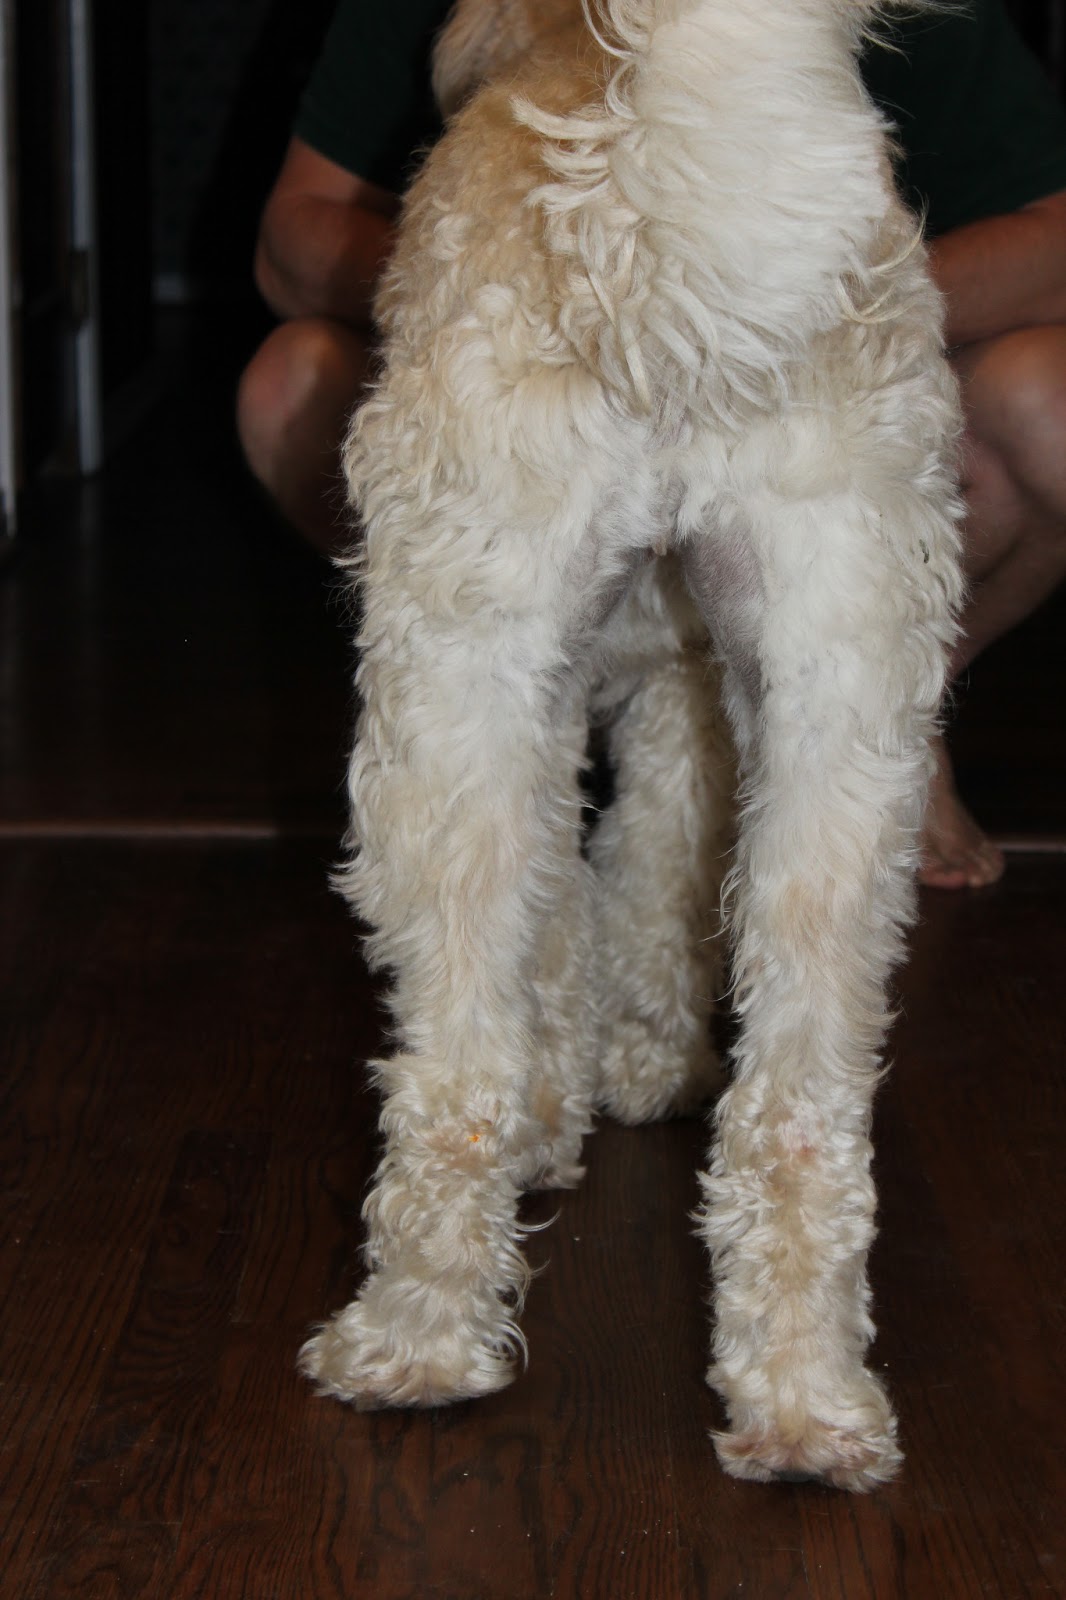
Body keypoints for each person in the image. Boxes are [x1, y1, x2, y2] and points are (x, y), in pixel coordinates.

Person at [237, 0, 1066, 890]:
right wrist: (525, 276)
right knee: (292, 384)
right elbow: (291, 242)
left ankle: (882, 723)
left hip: (808, 385)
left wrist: (788, 305)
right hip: (530, 371)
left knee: (1050, 401)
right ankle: (504, 707)